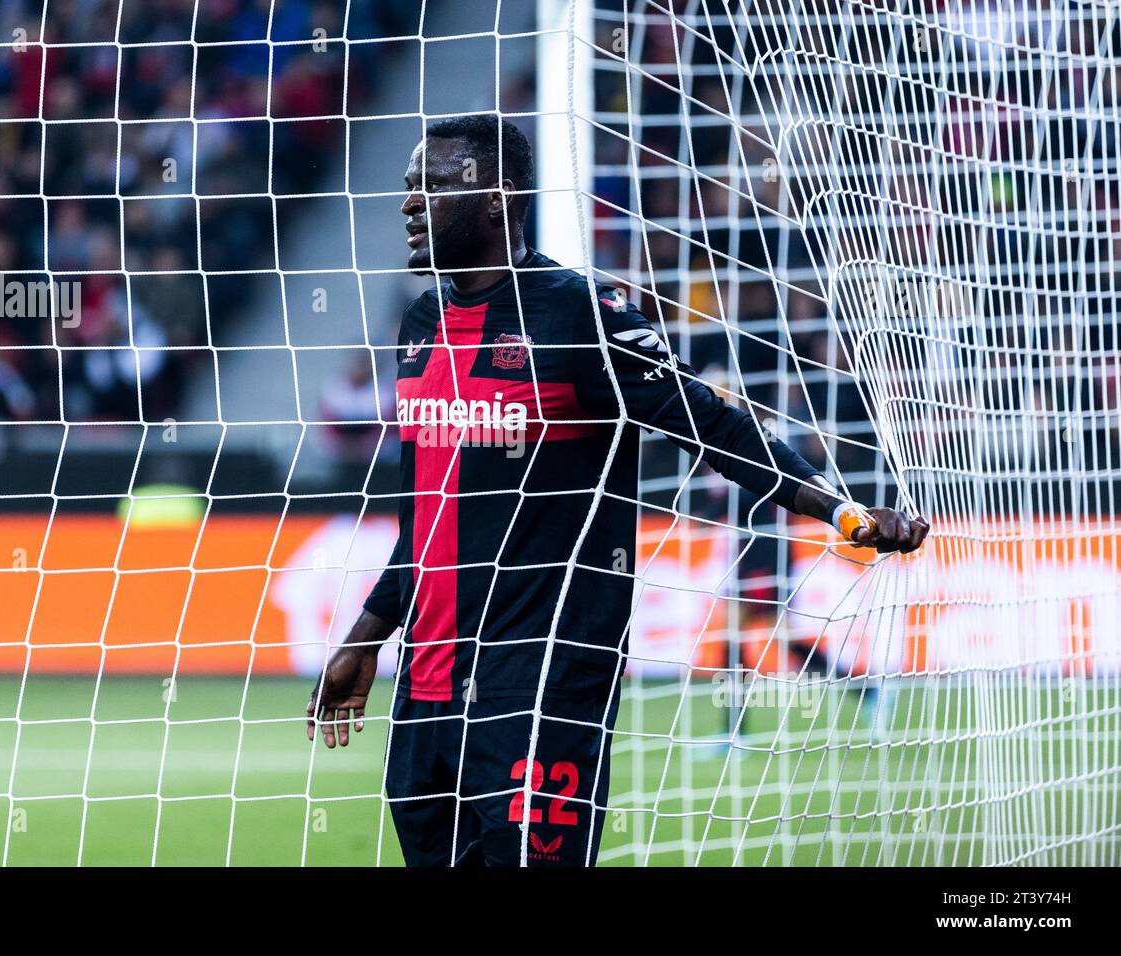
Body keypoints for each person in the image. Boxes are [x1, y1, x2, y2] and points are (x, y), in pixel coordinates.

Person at [305, 114, 929, 867]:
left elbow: (715, 426)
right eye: (409, 187)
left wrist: (837, 509)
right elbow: (428, 518)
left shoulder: (580, 315)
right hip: (427, 693)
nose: (409, 203)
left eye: (433, 186)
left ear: (497, 198)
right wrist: (365, 638)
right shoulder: (421, 323)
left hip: (539, 688)